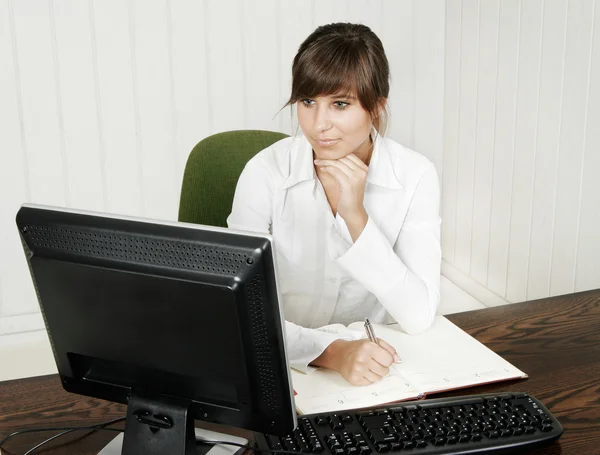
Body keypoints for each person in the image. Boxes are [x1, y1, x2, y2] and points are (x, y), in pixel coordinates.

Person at [227, 23, 441, 386]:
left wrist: (356, 217)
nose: (318, 124)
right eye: (308, 102)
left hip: (375, 368)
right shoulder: (264, 172)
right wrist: (330, 352)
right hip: (277, 362)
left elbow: (417, 315)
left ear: (376, 107)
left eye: (340, 104)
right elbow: (238, 311)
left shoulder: (415, 175)